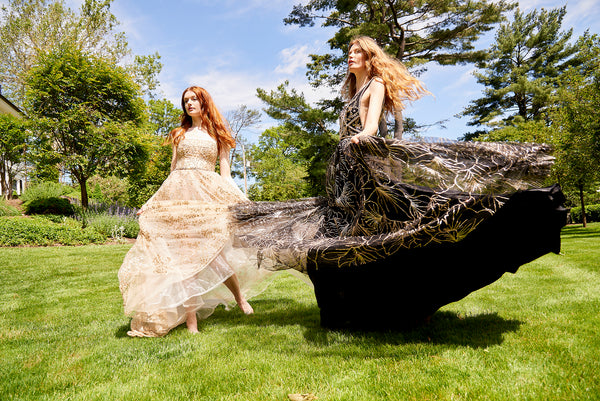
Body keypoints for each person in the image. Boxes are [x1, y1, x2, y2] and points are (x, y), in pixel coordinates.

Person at [228, 36, 566, 329]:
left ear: (369, 58)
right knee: (346, 238)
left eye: (357, 52)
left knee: (387, 235)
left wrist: (360, 140)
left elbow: (371, 126)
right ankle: (356, 309)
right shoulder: (352, 90)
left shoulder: (374, 85)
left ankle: (408, 305)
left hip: (365, 165)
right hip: (347, 172)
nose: (351, 55)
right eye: (349, 51)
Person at [118, 86, 267, 337]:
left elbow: (226, 175)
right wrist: (151, 202)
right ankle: (191, 323)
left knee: (216, 259)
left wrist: (242, 200)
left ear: (204, 102)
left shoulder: (219, 135)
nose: (189, 104)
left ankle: (240, 299)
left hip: (207, 201)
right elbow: (172, 174)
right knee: (185, 261)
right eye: (185, 100)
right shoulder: (179, 134)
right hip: (181, 201)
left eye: (193, 99)